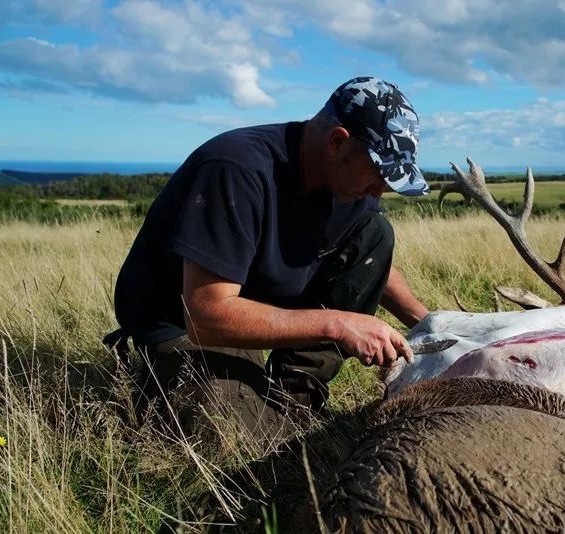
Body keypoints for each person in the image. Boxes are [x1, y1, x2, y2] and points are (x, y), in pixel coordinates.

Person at [104, 76, 430, 440]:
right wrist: (338, 324)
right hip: (187, 326)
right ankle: (159, 381)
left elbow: (368, 259)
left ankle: (297, 390)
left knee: (376, 232)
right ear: (338, 142)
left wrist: (428, 322)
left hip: (259, 306)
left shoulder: (350, 186)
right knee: (243, 437)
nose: (379, 189)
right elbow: (205, 316)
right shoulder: (236, 170)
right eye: (380, 174)